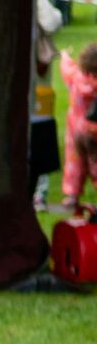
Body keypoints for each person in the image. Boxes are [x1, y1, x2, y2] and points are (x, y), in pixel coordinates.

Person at [57, 41, 97, 217]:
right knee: (95, 163)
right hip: (94, 132)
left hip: (75, 131)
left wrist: (65, 55)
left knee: (75, 164)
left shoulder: (76, 76)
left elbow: (66, 67)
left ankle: (72, 195)